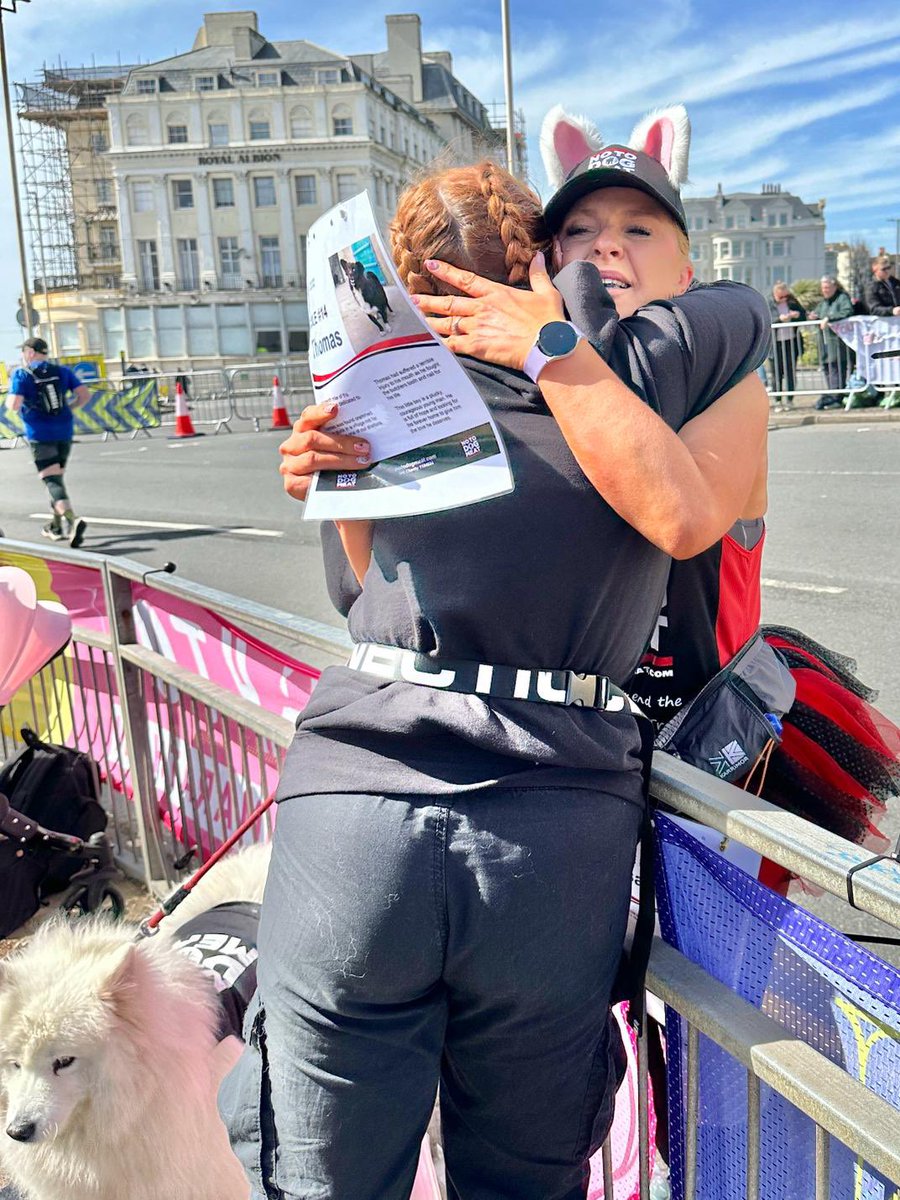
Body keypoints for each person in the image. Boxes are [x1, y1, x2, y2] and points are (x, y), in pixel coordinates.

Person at [229, 133, 770, 1197]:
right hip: (549, 808)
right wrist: (340, 464)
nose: (606, 249)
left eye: (635, 230)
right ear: (539, 255)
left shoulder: (632, 358)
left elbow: (358, 604)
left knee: (330, 1170)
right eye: (582, 232)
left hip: (366, 792)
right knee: (516, 1169)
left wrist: (548, 342)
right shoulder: (638, 364)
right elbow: (680, 490)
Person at [5, 337, 89, 547]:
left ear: (30, 352)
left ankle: (72, 519)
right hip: (64, 431)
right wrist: (69, 408)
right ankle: (56, 526)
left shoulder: (22, 374)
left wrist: (9, 395)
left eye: (24, 351)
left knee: (51, 480)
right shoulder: (61, 371)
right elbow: (84, 395)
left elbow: (14, 405)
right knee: (56, 478)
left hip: (40, 434)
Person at [811, 275, 853, 409]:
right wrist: (814, 317)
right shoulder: (823, 302)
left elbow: (847, 311)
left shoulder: (842, 298)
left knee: (836, 367)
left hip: (837, 341)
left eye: (828, 287)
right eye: (823, 288)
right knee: (827, 367)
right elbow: (818, 313)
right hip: (824, 340)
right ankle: (832, 394)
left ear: (834, 286)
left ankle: (837, 396)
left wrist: (830, 318)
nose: (825, 290)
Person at [766, 281, 805, 412]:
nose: (783, 300)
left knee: (790, 371)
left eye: (785, 297)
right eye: (780, 297)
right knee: (776, 373)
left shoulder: (792, 301)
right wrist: (779, 319)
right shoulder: (768, 302)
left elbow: (803, 314)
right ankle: (777, 400)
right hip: (775, 344)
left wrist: (797, 316)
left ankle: (789, 399)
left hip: (790, 341)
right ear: (774, 294)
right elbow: (766, 319)